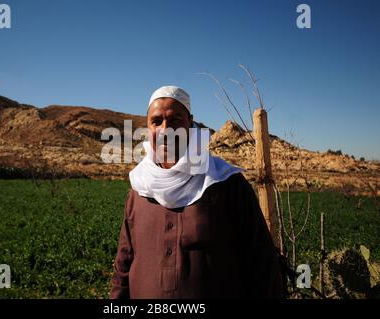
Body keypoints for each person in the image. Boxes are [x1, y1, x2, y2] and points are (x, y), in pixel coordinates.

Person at [110, 86, 283, 298]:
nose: (166, 129)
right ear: (148, 128)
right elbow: (123, 264)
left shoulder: (225, 183)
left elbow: (262, 263)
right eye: (156, 122)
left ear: (190, 123)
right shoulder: (139, 188)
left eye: (175, 120)